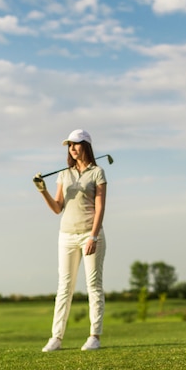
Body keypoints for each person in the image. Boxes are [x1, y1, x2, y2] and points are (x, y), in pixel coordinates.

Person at [33, 129, 107, 352]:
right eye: (70, 146)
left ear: (86, 146)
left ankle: (94, 336)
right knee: (64, 287)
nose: (72, 149)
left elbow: (100, 206)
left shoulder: (97, 172)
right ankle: (56, 337)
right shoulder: (64, 175)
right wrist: (42, 191)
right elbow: (57, 208)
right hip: (66, 235)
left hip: (90, 234)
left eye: (76, 144)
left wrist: (93, 236)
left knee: (93, 286)